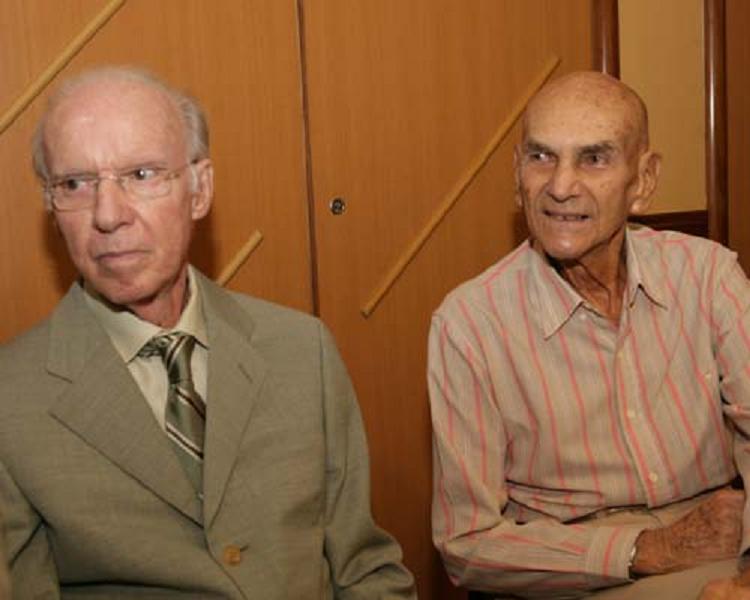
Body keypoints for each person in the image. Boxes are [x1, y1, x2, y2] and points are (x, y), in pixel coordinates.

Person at [0, 66, 416, 599]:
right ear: (52, 210)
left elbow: (365, 570)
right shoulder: (11, 400)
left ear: (199, 190)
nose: (107, 215)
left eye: (141, 174)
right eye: (75, 184)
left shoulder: (302, 350)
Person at [428, 70, 750, 599]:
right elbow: (466, 543)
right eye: (541, 156)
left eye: (594, 158)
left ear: (643, 181)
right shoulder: (469, 324)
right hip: (578, 570)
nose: (560, 186)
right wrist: (648, 548)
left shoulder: (708, 275)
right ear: (516, 172)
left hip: (725, 541)